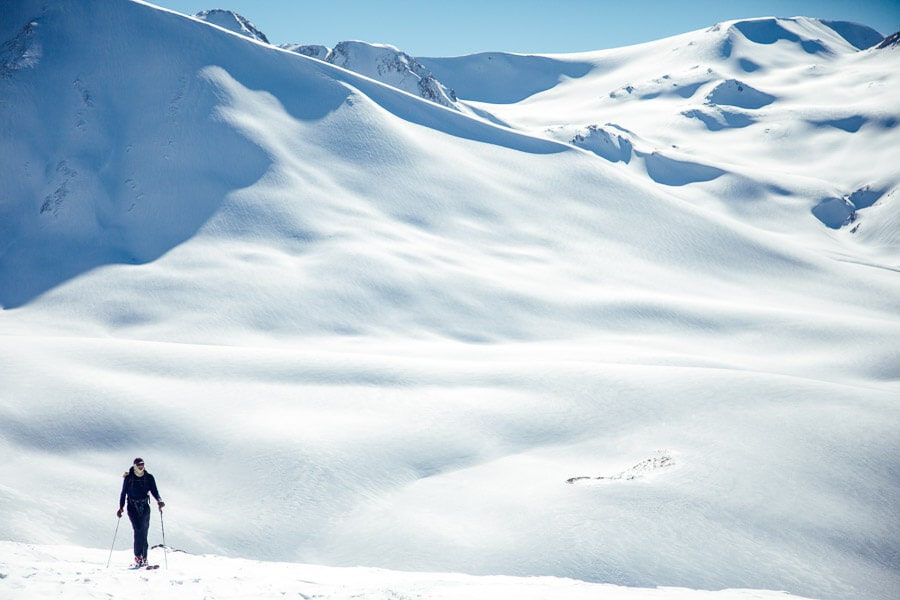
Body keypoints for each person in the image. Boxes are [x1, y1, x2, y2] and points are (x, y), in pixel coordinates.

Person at [117, 457, 165, 567]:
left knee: (144, 532)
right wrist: (121, 507)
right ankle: (138, 556)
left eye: (142, 464)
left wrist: (159, 501)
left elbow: (154, 491)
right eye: (139, 465)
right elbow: (123, 493)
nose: (141, 466)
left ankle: (144, 557)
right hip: (132, 507)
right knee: (138, 530)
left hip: (144, 507)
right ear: (134, 465)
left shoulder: (149, 477)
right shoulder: (129, 478)